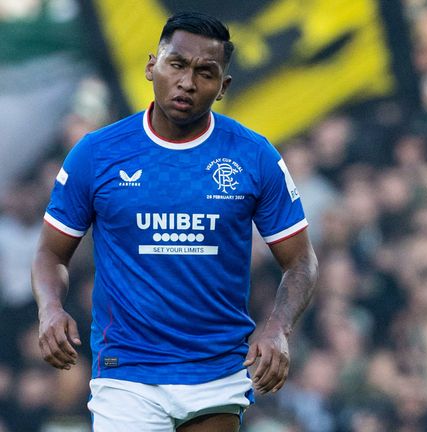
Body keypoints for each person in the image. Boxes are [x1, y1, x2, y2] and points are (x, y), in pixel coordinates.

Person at [31, 12, 318, 432]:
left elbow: (301, 261)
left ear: (223, 87)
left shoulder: (253, 156)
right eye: (176, 64)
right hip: (126, 372)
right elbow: (50, 253)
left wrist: (278, 328)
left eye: (206, 72)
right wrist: (50, 310)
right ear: (152, 66)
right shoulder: (97, 153)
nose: (187, 82)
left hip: (217, 370)